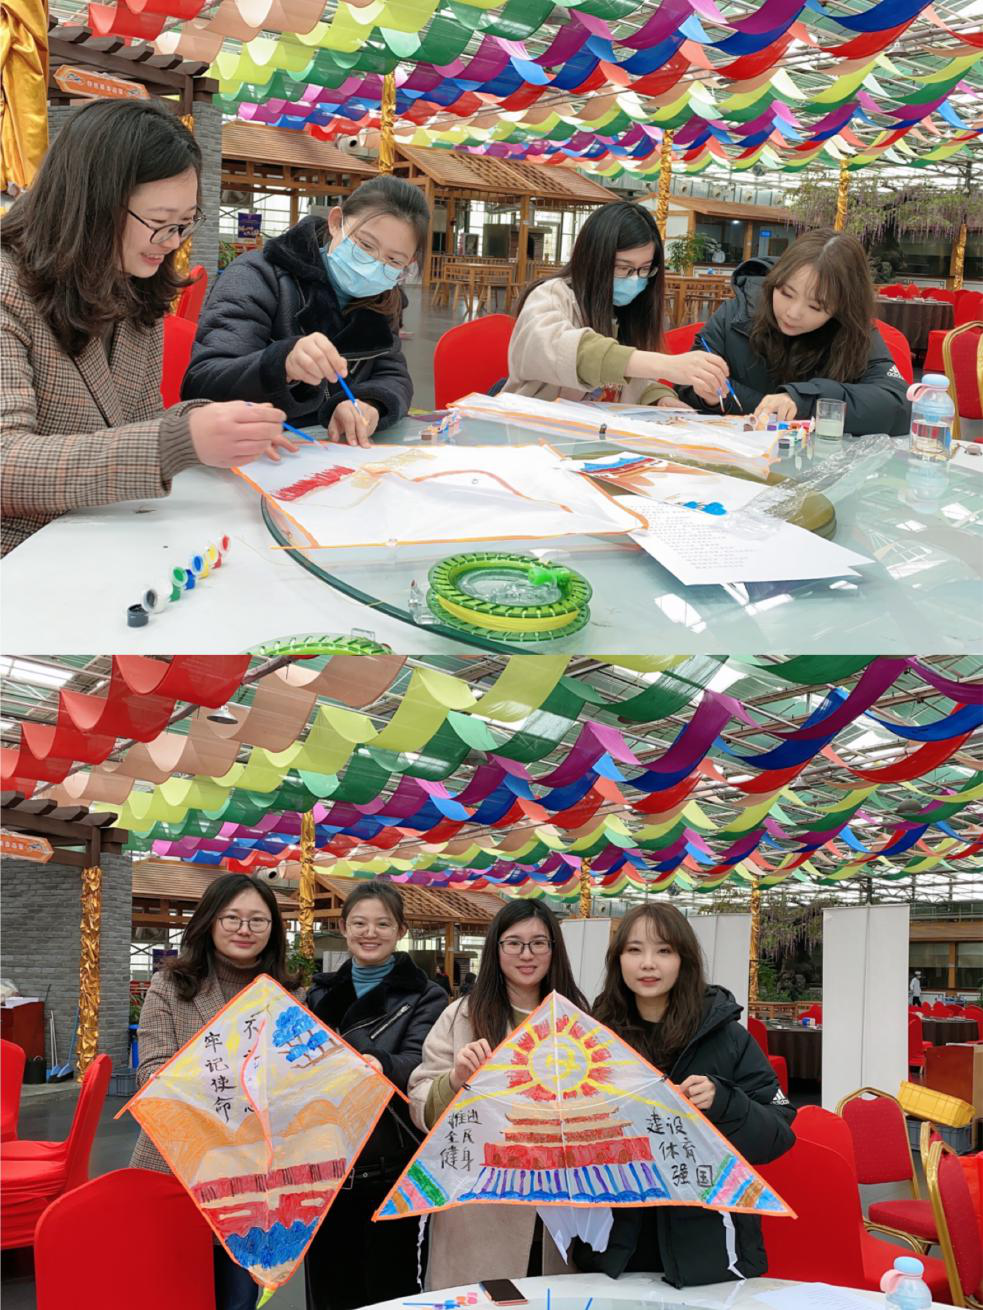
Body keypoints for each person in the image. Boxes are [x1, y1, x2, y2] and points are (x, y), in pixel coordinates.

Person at [1, 98, 293, 557]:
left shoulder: (132, 286)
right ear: (91, 204)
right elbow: (6, 463)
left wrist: (214, 425)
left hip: (102, 538)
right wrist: (179, 441)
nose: (173, 242)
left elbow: (134, 424)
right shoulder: (8, 287)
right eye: (159, 223)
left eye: (185, 223)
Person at [571, 903, 795, 1289]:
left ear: (684, 960)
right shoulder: (593, 1038)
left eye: (664, 950)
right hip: (614, 1246)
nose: (648, 963)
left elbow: (778, 1134)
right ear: (618, 960)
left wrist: (724, 1102)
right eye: (634, 950)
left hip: (708, 1248)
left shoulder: (727, 1036)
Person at [132, 873, 301, 1310]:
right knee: (171, 1293)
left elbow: (299, 1079)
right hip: (175, 1168)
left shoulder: (289, 996)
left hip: (252, 1179)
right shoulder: (171, 985)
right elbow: (151, 1073)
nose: (245, 929)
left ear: (272, 929)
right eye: (232, 918)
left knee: (238, 1299)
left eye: (258, 920)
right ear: (209, 921)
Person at [407, 901, 589, 1289]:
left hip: (559, 1209)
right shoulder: (462, 1016)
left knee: (551, 1294)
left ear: (554, 949)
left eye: (538, 943)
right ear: (496, 949)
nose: (527, 954)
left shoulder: (577, 1017)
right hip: (479, 1213)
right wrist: (455, 1080)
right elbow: (420, 1103)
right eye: (514, 943)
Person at [183, 176, 430, 448]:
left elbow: (394, 376)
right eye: (365, 245)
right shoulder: (257, 275)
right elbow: (204, 381)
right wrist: (281, 362)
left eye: (393, 260)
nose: (373, 266)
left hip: (336, 454)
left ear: (409, 263)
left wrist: (370, 404)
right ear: (336, 222)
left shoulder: (383, 299)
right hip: (257, 451)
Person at [303, 882, 447, 1310]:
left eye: (383, 924)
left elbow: (421, 1063)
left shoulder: (426, 995)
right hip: (326, 1171)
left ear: (401, 930)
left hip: (391, 1172)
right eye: (360, 923)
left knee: (390, 1294)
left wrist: (381, 1063)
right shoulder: (318, 994)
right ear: (343, 928)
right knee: (329, 1292)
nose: (370, 933)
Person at [676, 229, 911, 435]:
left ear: (841, 307)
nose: (793, 313)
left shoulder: (854, 333)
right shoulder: (737, 314)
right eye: (786, 293)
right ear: (774, 280)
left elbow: (897, 405)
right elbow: (685, 384)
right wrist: (707, 396)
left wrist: (803, 401)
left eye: (816, 306)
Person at [504, 200, 730, 409]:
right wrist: (666, 365)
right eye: (623, 267)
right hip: (532, 426)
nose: (635, 279)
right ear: (593, 259)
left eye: (644, 269)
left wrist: (661, 399)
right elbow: (571, 352)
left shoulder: (627, 310)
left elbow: (634, 382)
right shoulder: (551, 296)